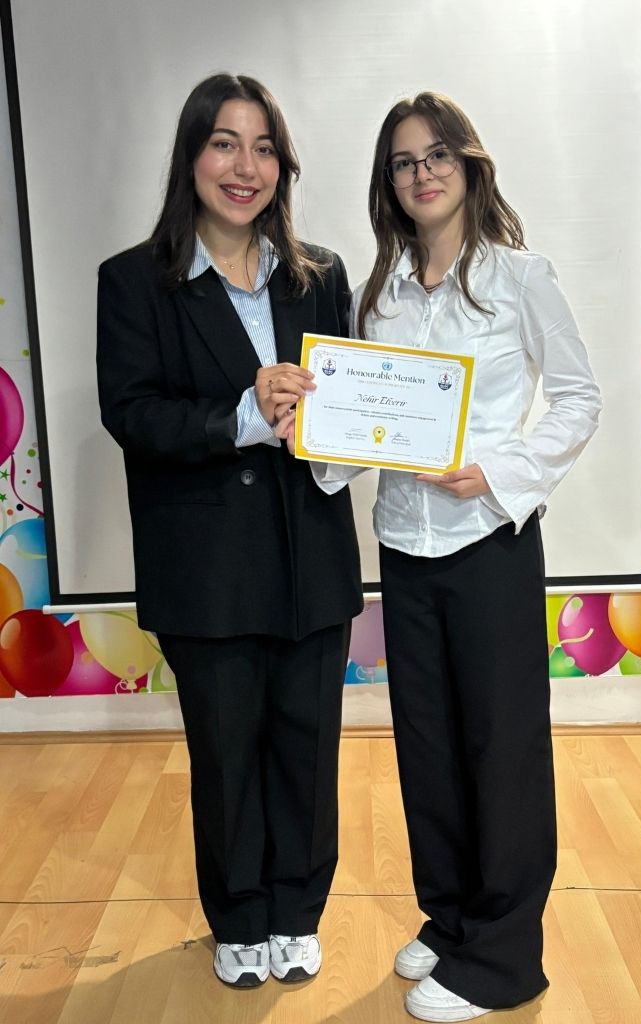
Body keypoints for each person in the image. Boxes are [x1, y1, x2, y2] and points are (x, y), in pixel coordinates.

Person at [277, 91, 601, 1020]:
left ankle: (504, 957)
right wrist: (316, 427)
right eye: (403, 162)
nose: (421, 174)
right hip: (405, 547)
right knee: (427, 743)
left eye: (436, 156)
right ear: (389, 183)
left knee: (502, 747)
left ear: (469, 164)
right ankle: (453, 917)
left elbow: (579, 398)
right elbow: (363, 430)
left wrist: (498, 471)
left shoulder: (520, 276)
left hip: (489, 542)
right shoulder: (379, 293)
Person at [96, 74, 362, 990]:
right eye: (223, 143)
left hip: (311, 554)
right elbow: (133, 414)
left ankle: (297, 911)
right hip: (205, 566)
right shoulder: (135, 280)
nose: (244, 167)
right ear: (191, 157)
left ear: (283, 166)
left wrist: (353, 439)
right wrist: (243, 415)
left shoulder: (321, 275)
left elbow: (349, 406)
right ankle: (240, 917)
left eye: (263, 148)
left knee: (307, 747)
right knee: (225, 751)